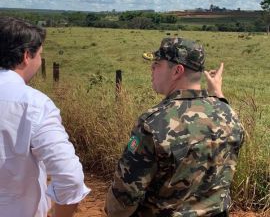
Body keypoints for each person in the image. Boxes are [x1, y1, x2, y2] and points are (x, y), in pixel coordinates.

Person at [105, 37, 244, 217]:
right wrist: (217, 93)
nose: (152, 68)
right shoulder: (229, 114)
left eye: (157, 64)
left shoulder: (153, 123)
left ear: (177, 70)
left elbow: (124, 198)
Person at [0, 16, 90, 217]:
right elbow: (70, 178)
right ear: (26, 56)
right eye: (40, 54)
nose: (40, 60)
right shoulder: (35, 105)